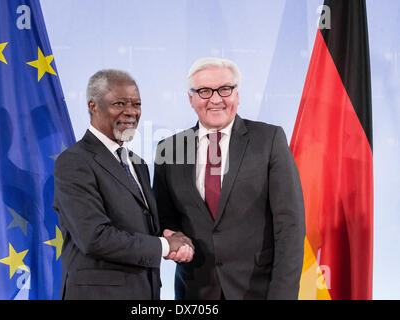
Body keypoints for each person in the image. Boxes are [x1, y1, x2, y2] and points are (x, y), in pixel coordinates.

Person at [153, 57, 305, 300]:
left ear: (237, 94)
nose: (215, 99)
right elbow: (164, 217)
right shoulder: (168, 150)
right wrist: (172, 237)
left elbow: (290, 226)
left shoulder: (268, 140)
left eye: (225, 89)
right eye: (204, 91)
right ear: (190, 99)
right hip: (195, 292)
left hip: (257, 291)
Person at [53, 69, 194, 300]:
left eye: (136, 104)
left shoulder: (137, 163)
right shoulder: (74, 161)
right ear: (93, 106)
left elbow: (137, 228)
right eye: (119, 103)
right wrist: (165, 246)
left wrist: (169, 235)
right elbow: (94, 237)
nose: (131, 112)